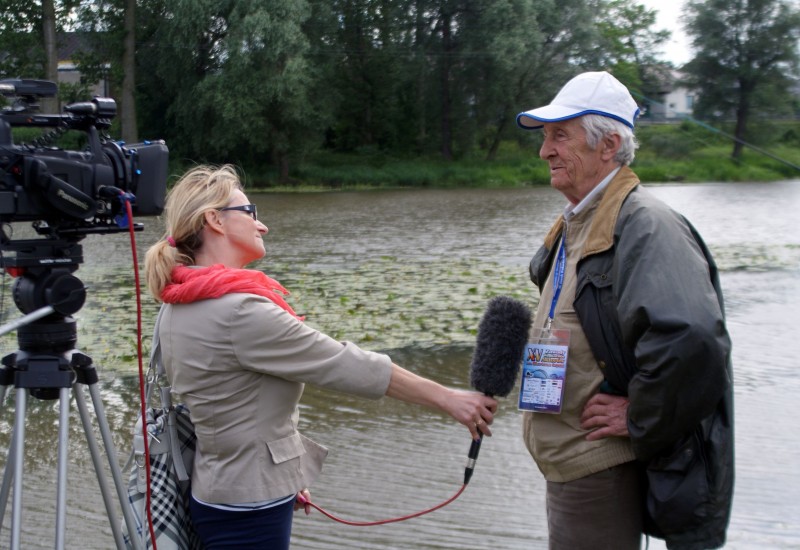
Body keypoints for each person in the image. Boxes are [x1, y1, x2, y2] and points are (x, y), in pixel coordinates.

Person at [143, 164, 497, 549]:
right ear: (215, 220)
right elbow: (347, 365)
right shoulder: (239, 311)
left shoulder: (179, 301)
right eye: (251, 213)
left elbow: (234, 406)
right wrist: (449, 398)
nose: (262, 226)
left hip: (219, 487)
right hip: (249, 502)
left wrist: (284, 476)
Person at [515, 71, 734, 549]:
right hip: (568, 461)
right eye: (546, 137)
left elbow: (693, 340)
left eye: (560, 136)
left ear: (608, 145)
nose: (545, 151)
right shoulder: (577, 221)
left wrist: (639, 415)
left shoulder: (645, 225)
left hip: (599, 466)